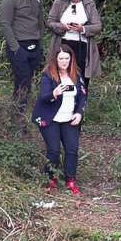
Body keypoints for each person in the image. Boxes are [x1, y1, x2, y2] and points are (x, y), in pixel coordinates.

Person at [31, 44, 86, 195]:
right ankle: (51, 179)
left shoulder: (76, 74)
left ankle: (70, 180)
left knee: (72, 149)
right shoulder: (48, 75)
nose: (64, 61)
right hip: (50, 118)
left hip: (69, 118)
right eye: (61, 58)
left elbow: (82, 96)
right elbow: (43, 97)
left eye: (67, 58)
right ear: (55, 59)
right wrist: (54, 93)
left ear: (71, 59)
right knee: (54, 150)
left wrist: (79, 113)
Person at [1, 0, 45, 130]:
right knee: (23, 81)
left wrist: (39, 39)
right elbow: (5, 23)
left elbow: (40, 21)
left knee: (27, 81)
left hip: (34, 45)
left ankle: (19, 116)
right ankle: (17, 120)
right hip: (19, 46)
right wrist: (15, 47)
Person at [47, 0, 103, 94]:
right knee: (62, 71)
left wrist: (82, 28)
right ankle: (62, 101)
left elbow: (98, 26)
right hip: (63, 43)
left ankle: (80, 103)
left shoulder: (89, 4)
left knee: (81, 73)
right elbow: (50, 22)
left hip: (82, 44)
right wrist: (63, 26)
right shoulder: (59, 3)